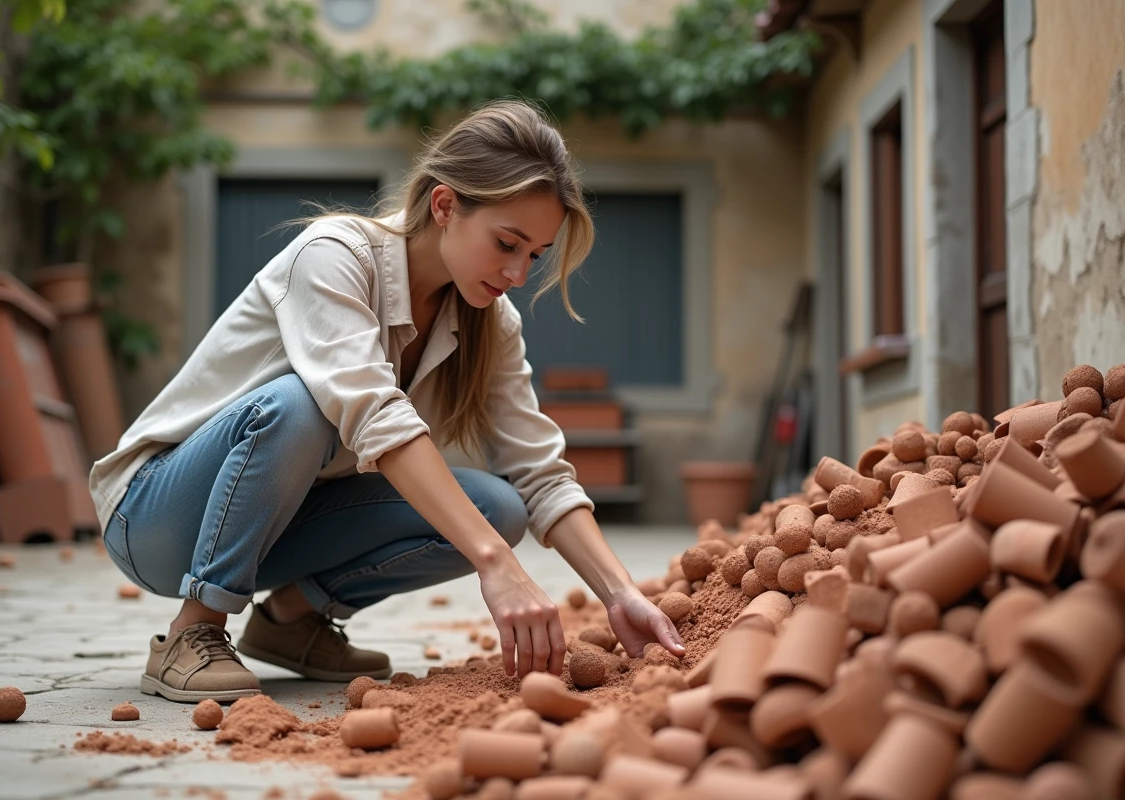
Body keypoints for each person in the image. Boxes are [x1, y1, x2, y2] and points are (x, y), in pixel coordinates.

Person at [89, 100, 686, 704]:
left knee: (497, 508)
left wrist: (620, 594)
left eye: (534, 255)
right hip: (155, 519)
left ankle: (290, 623)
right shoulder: (334, 255)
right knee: (303, 404)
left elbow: (539, 472)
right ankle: (195, 629)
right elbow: (375, 414)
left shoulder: (488, 322)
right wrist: (495, 566)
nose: (518, 273)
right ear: (445, 205)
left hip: (277, 525)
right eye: (507, 243)